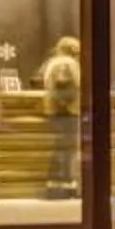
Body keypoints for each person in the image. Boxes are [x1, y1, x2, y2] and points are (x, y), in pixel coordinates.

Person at [39, 35, 83, 199]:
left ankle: (58, 186)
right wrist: (67, 103)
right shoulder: (67, 63)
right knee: (66, 149)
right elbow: (65, 85)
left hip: (57, 110)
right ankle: (62, 187)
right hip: (66, 111)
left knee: (61, 148)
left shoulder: (53, 62)